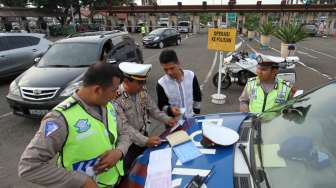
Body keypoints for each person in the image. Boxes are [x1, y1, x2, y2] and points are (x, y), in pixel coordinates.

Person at [18, 62, 131, 188]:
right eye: (114, 90)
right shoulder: (59, 119)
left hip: (115, 180)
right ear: (97, 90)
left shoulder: (108, 105)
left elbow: (124, 133)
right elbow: (29, 167)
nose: (116, 94)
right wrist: (82, 181)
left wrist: (119, 152)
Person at [115, 62, 176, 171]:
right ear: (126, 82)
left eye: (144, 82)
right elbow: (124, 127)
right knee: (129, 172)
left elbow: (153, 110)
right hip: (128, 145)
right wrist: (146, 141)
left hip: (144, 137)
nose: (143, 85)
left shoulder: (141, 91)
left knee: (145, 168)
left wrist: (168, 120)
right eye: (139, 82)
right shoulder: (116, 98)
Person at [156, 49, 202, 119]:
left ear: (178, 63)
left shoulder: (191, 76)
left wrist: (196, 112)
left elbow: (197, 96)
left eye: (172, 68)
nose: (169, 72)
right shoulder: (161, 84)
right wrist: (170, 110)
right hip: (173, 123)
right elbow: (161, 106)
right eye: (165, 69)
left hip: (191, 118)